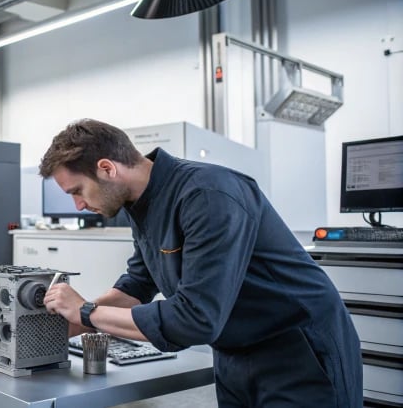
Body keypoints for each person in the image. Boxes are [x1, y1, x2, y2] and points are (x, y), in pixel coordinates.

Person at [41, 119, 362, 408]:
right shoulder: (141, 205)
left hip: (297, 352)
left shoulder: (208, 195)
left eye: (78, 191)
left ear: (107, 168)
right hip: (234, 353)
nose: (78, 205)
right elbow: (136, 285)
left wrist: (86, 311)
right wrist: (66, 326)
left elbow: (194, 319)